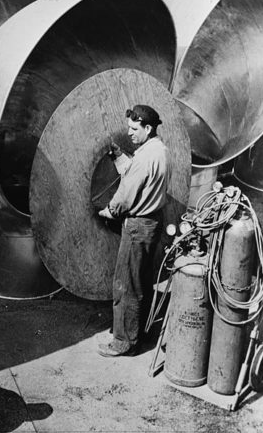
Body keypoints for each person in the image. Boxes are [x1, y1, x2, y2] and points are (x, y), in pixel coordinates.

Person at [97, 104, 169, 357]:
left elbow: (127, 193)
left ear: (148, 128)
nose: (129, 133)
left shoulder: (144, 157)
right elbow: (141, 175)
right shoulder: (159, 150)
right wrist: (119, 156)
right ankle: (137, 333)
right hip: (152, 222)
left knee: (125, 284)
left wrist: (111, 210)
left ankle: (123, 342)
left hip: (138, 226)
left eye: (134, 129)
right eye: (128, 128)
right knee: (141, 282)